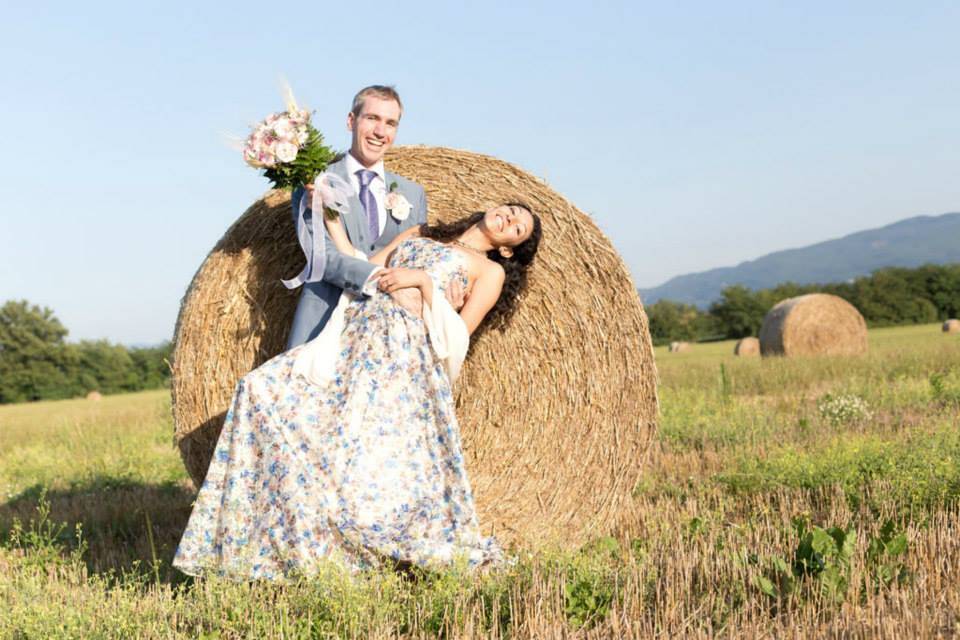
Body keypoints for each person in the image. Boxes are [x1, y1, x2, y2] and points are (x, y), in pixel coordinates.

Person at [172, 202, 542, 580]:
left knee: (361, 461)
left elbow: (460, 335)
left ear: (509, 248)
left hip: (401, 354)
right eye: (511, 210)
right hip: (354, 335)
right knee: (259, 389)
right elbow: (360, 265)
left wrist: (424, 283)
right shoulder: (419, 233)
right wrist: (327, 211)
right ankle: (276, 542)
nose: (510, 219)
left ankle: (353, 557)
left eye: (517, 228)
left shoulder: (489, 270)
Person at [286, 85, 463, 348]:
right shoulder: (316, 181)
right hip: (323, 325)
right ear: (351, 121)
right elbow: (324, 258)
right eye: (372, 118)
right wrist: (383, 279)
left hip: (389, 337)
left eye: (390, 123)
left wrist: (442, 297)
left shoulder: (413, 195)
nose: (381, 131)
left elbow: (416, 260)